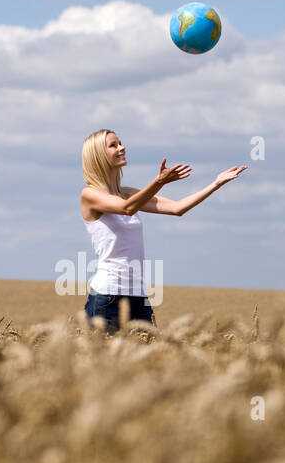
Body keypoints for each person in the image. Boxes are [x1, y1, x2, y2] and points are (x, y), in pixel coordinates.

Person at [79, 128, 247, 334]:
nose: (122, 147)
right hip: (107, 298)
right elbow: (127, 208)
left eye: (120, 143)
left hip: (138, 296)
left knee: (149, 363)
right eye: (113, 145)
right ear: (97, 156)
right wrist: (159, 181)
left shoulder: (127, 193)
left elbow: (177, 208)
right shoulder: (89, 195)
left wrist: (216, 183)